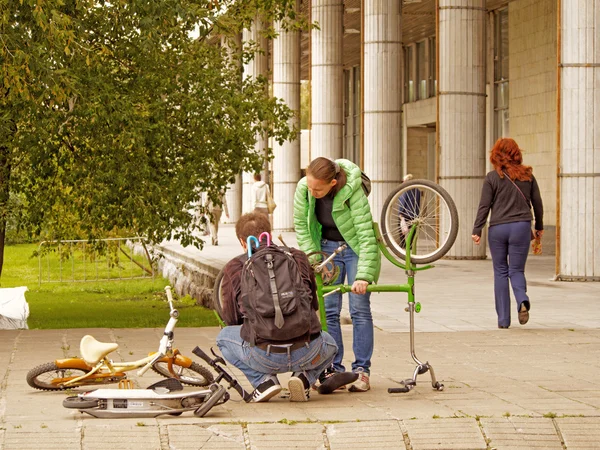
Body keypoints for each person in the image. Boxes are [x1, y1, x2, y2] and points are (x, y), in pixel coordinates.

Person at [216, 212, 356, 403]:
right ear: (269, 234)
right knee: (330, 344)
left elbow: (231, 318)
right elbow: (312, 305)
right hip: (306, 350)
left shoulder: (234, 267)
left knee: (223, 338)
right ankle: (304, 378)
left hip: (262, 354)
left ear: (242, 241)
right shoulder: (297, 256)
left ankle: (263, 381)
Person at [293, 157, 380, 392]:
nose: (312, 191)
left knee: (359, 308)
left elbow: (365, 234)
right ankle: (334, 370)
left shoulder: (353, 189)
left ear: (332, 183)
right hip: (326, 247)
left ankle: (362, 371)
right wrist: (314, 259)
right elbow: (301, 225)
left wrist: (364, 275)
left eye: (317, 189)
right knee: (329, 310)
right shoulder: (304, 189)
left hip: (354, 248)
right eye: (309, 186)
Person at [472, 138, 544, 329]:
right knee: (517, 270)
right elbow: (538, 203)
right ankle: (522, 299)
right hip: (521, 226)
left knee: (501, 272)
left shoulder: (492, 177)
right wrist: (539, 227)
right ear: (516, 154)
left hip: (498, 228)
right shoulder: (528, 176)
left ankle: (503, 320)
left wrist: (477, 229)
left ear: (496, 155)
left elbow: (484, 206)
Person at [397, 174, 422, 247]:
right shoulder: (417, 191)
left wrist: (400, 213)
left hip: (405, 213)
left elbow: (403, 202)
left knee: (400, 227)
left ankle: (403, 244)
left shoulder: (406, 190)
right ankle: (410, 244)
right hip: (414, 214)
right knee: (413, 229)